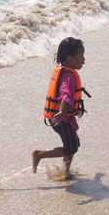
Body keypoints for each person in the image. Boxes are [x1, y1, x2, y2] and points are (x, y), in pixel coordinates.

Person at [32, 37, 91, 179]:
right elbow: (65, 95)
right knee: (71, 147)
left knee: (72, 143)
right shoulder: (68, 77)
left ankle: (65, 171)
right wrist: (63, 112)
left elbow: (69, 97)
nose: (84, 60)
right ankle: (39, 154)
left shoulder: (66, 72)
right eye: (81, 56)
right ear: (70, 59)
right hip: (61, 118)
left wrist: (74, 110)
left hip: (64, 117)